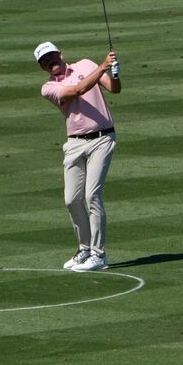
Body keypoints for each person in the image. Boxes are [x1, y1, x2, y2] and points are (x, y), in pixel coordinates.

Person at [34, 41, 121, 271]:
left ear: (60, 54)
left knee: (92, 194)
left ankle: (98, 254)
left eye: (52, 56)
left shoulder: (86, 64)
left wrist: (114, 73)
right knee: (72, 199)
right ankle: (84, 249)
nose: (50, 62)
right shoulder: (48, 88)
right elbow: (77, 91)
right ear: (42, 67)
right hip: (74, 144)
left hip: (103, 139)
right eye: (44, 61)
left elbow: (114, 89)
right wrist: (103, 66)